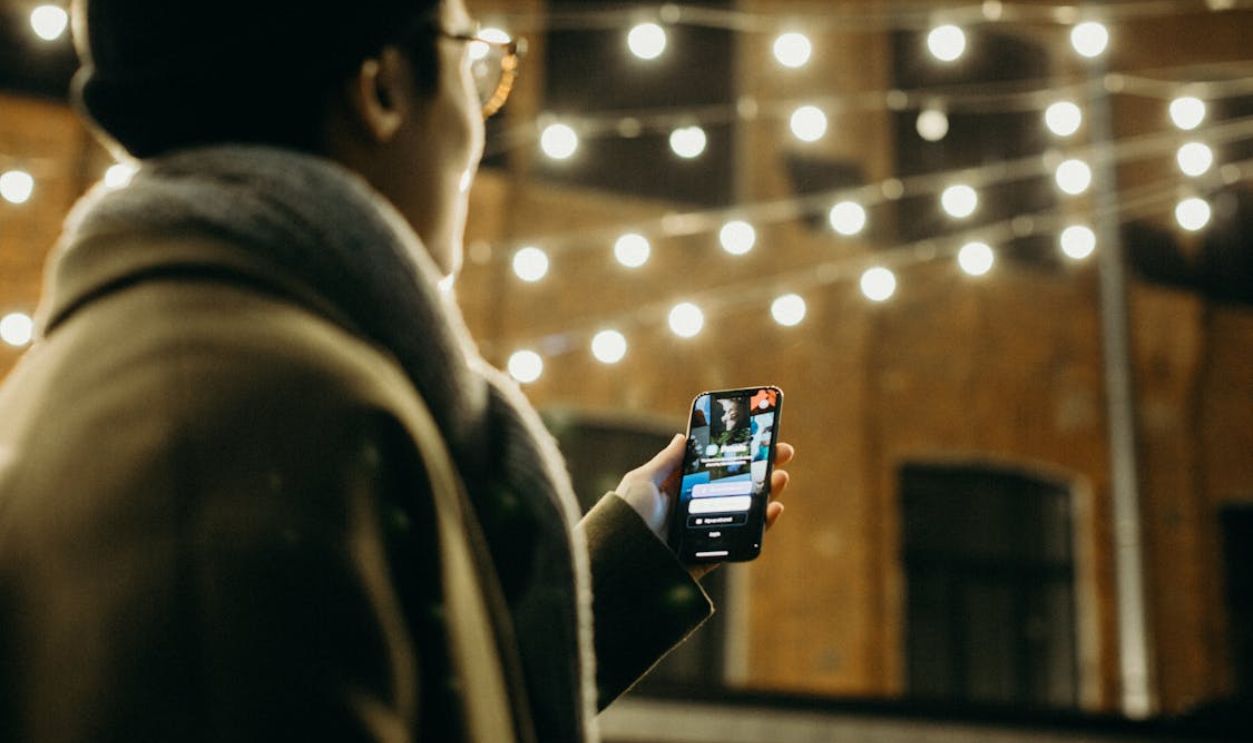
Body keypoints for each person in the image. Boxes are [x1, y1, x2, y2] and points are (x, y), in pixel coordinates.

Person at [0, 0, 794, 741]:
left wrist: (640, 550)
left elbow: (415, 693)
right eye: (472, 64)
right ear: (381, 91)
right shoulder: (279, 414)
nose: (479, 125)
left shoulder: (180, 362)